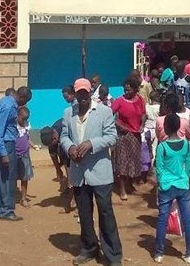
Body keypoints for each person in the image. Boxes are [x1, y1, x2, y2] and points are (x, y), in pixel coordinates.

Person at [61, 78, 122, 266]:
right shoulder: (67, 113)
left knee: (105, 212)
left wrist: (91, 144)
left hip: (100, 172)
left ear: (90, 93)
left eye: (85, 94)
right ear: (76, 94)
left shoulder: (104, 112)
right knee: (84, 213)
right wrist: (70, 147)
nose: (82, 97)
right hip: (79, 173)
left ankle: (113, 254)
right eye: (79, 94)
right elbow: (64, 136)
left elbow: (112, 137)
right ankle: (89, 248)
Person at [154, 113, 190, 264]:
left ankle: (159, 253)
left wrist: (161, 184)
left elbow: (159, 169)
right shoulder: (187, 145)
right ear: (179, 127)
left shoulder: (162, 147)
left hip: (166, 186)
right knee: (187, 220)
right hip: (183, 185)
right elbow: (189, 167)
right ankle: (189, 253)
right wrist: (184, 179)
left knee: (162, 220)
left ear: (164, 127)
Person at [0, 86, 32, 221]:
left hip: (4, 144)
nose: (24, 105)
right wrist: (4, 153)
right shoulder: (9, 107)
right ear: (23, 98)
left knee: (2, 178)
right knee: (9, 179)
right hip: (6, 145)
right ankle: (7, 210)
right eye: (25, 101)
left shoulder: (4, 101)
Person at [111, 76, 146, 200]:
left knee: (133, 161)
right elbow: (109, 116)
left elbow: (143, 114)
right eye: (124, 90)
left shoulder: (140, 100)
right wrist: (119, 125)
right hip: (123, 136)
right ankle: (122, 188)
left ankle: (129, 183)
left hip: (135, 135)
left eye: (129, 90)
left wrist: (142, 125)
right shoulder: (119, 101)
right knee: (122, 161)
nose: (126, 92)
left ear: (136, 89)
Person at [40, 121, 75, 212]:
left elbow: (69, 161)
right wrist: (58, 169)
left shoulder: (66, 130)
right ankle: (71, 193)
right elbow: (53, 154)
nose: (51, 147)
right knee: (70, 180)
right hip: (64, 152)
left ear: (55, 137)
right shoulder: (50, 137)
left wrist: (70, 179)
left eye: (52, 144)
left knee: (72, 179)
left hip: (74, 150)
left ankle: (74, 200)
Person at [16, 106, 34, 208]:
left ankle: (23, 198)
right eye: (23, 118)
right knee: (12, 177)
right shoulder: (13, 126)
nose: (24, 121)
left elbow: (28, 138)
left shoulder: (27, 125)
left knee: (25, 177)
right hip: (15, 154)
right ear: (18, 116)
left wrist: (33, 145)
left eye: (26, 119)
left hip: (25, 154)